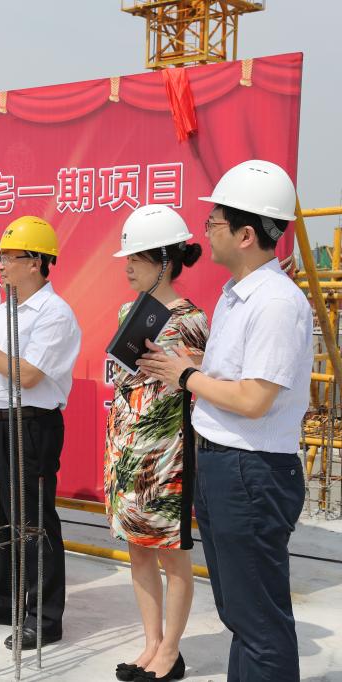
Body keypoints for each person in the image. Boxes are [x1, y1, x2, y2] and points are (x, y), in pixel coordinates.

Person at [138, 160, 311, 682]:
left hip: (250, 471)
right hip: (224, 466)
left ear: (246, 234)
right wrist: (188, 370)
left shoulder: (275, 303)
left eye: (214, 223)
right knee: (239, 612)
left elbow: (255, 399)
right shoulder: (238, 295)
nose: (207, 231)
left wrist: (186, 375)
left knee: (258, 619)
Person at [0, 216, 81, 649]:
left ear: (37, 262)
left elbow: (29, 374)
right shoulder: (4, 310)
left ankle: (43, 616)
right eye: (0, 256)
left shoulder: (55, 314)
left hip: (29, 425)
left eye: (9, 257)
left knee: (33, 523)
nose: (0, 264)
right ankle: (3, 601)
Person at [104, 205, 206, 682]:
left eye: (136, 258)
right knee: (139, 549)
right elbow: (117, 377)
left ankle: (170, 651)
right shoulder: (129, 312)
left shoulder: (191, 319)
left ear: (164, 260)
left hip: (167, 456)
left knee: (171, 551)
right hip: (126, 447)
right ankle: (151, 643)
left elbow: (195, 383)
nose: (127, 266)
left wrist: (178, 366)